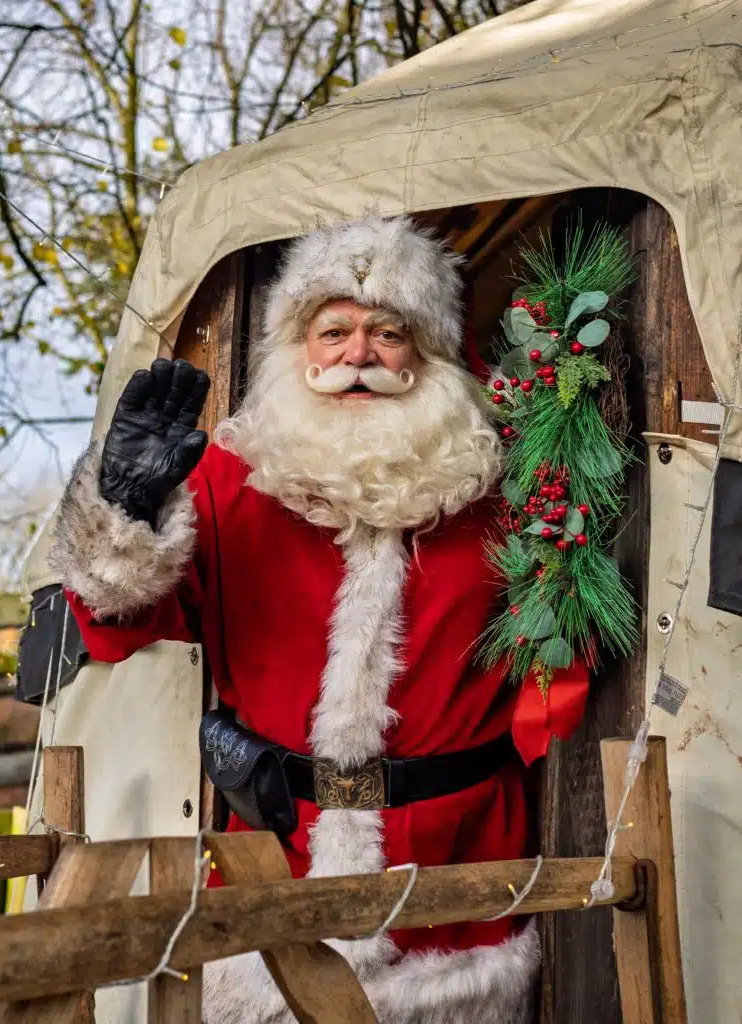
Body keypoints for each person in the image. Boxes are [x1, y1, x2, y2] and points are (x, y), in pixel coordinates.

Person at [51, 216, 588, 1024]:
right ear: (297, 349)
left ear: (428, 354)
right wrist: (123, 509)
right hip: (276, 855)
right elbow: (121, 626)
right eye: (332, 330)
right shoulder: (232, 480)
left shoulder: (504, 494)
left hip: (458, 868)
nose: (357, 354)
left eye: (387, 332)